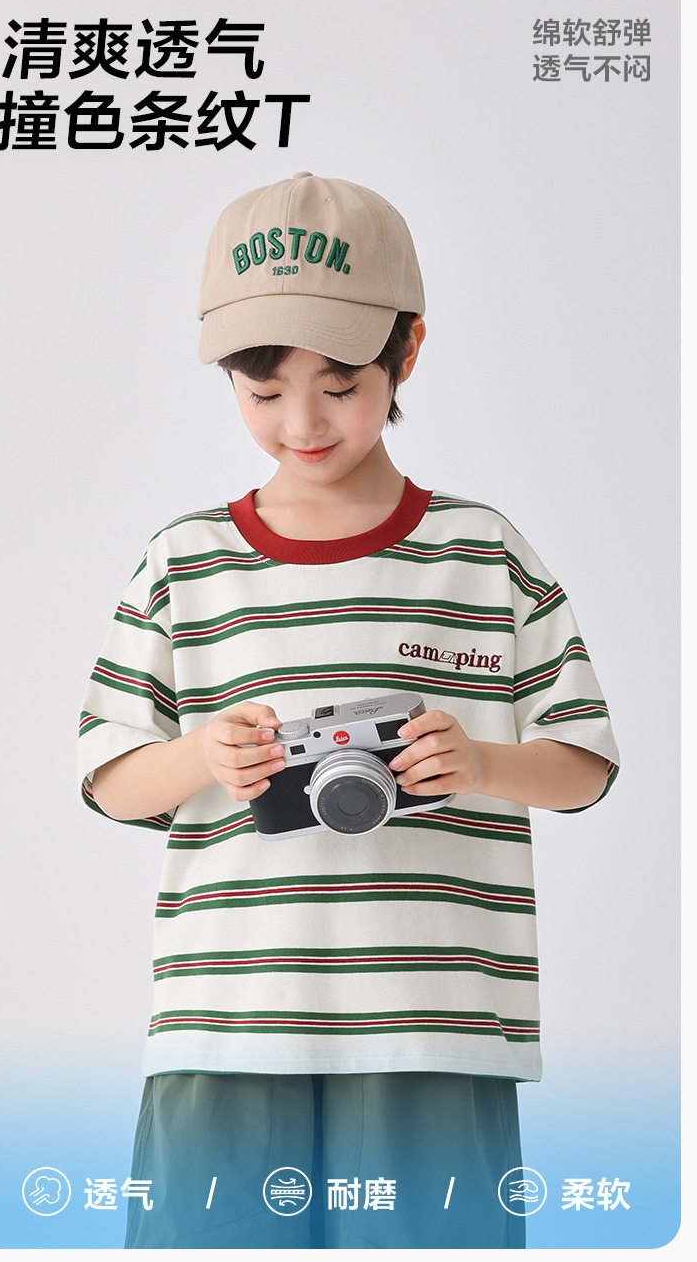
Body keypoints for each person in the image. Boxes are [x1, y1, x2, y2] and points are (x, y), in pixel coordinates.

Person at [77, 171, 620, 1249]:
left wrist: (478, 763)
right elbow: (110, 776)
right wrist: (203, 754)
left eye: (339, 382)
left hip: (436, 1021)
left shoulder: (481, 551)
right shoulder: (186, 559)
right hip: (226, 1025)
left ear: (407, 350)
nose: (302, 421)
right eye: (262, 388)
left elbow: (584, 762)